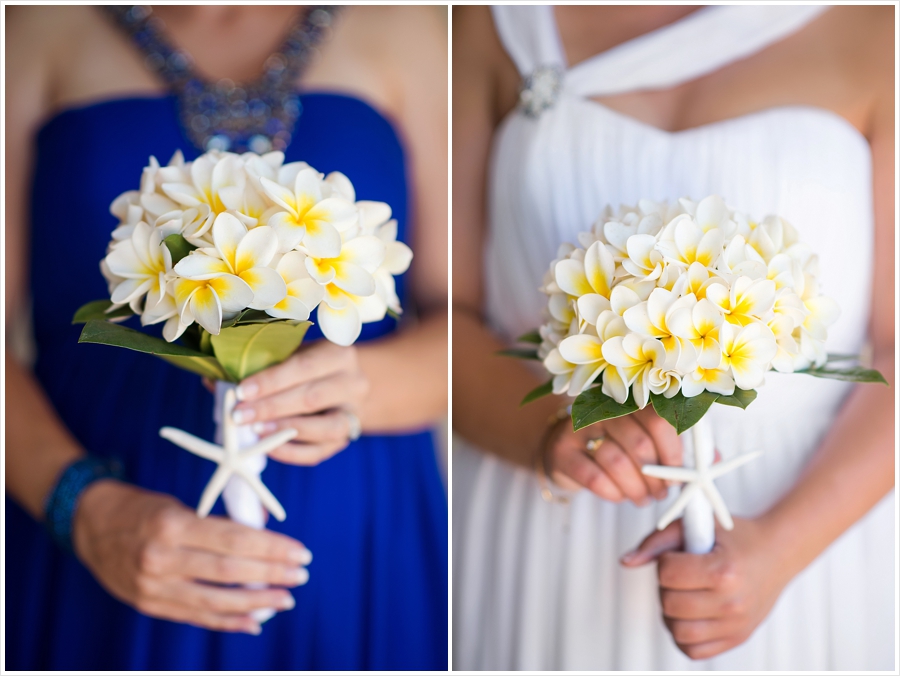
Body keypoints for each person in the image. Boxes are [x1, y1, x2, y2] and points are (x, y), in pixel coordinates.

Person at [6, 5, 448, 670]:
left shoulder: (410, 25)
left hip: (356, 526)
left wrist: (363, 388)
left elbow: (462, 323)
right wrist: (83, 507)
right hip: (97, 517)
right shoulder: (32, 26)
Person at [452, 5, 893, 670]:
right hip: (556, 507)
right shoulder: (486, 24)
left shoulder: (876, 29)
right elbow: (443, 321)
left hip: (800, 519)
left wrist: (779, 551)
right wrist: (550, 432)